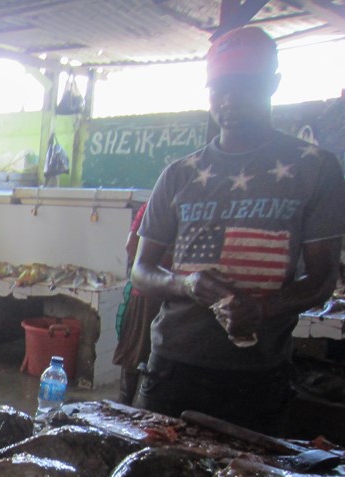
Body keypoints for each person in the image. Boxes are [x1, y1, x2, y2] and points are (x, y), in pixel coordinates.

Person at [131, 26, 345, 434]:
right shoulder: (179, 174)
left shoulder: (316, 168)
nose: (229, 101)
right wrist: (187, 284)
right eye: (219, 88)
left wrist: (261, 309)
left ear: (273, 84)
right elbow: (141, 270)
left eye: (245, 86)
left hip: (258, 373)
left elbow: (322, 280)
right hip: (173, 366)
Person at [112, 202, 163, 405]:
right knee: (135, 354)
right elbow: (131, 245)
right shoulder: (152, 207)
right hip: (146, 295)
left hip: (176, 297)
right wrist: (154, 277)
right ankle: (123, 407)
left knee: (158, 358)